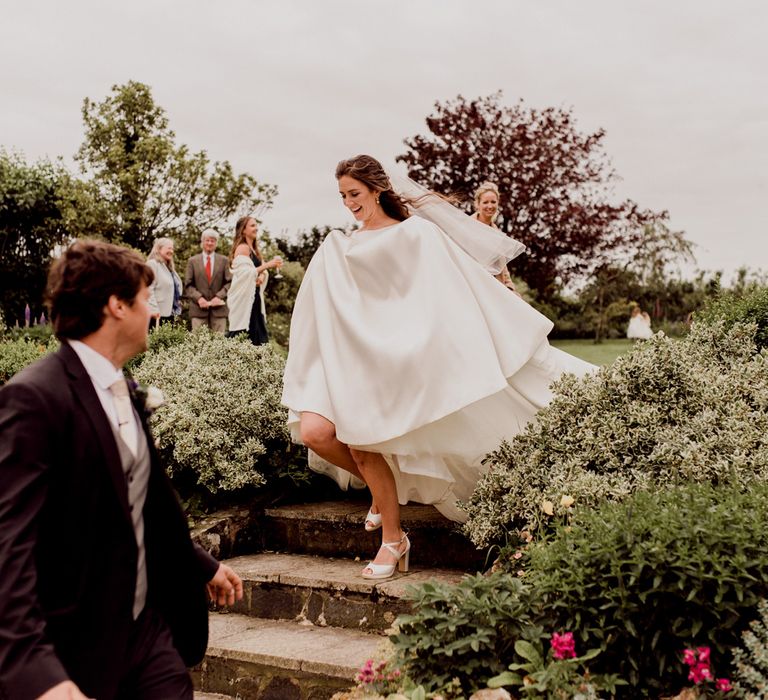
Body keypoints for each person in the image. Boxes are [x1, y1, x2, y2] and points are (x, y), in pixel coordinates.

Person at [281, 155, 595, 581]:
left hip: (393, 361)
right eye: (342, 196)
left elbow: (448, 288)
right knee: (315, 432)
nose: (348, 203)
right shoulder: (342, 247)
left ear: (376, 189)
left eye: (354, 194)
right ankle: (380, 493)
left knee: (361, 443)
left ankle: (393, 541)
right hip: (347, 359)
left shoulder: (417, 234)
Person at [0, 239, 243, 700]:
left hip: (144, 631)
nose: (154, 311)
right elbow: (9, 544)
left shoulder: (121, 387)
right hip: (71, 641)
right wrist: (36, 671)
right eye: (145, 299)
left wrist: (198, 564)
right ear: (116, 306)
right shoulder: (34, 399)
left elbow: (141, 497)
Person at [226, 216, 282, 346]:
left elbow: (260, 271)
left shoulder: (255, 249)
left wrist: (262, 277)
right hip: (245, 301)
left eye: (256, 225)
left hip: (254, 298)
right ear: (243, 230)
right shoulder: (242, 248)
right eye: (252, 226)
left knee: (259, 335)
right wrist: (269, 264)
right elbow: (244, 274)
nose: (256, 228)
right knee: (245, 334)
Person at [471, 181, 518, 292]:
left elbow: (502, 268)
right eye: (485, 202)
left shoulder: (497, 234)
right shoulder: (467, 227)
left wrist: (511, 288)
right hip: (472, 287)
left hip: (494, 288)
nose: (490, 206)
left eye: (493, 202)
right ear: (478, 204)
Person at [184, 231, 232, 333]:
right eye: (207, 240)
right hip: (198, 310)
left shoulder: (224, 261)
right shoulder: (192, 261)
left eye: (213, 241)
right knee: (198, 344)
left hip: (219, 310)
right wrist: (199, 298)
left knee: (219, 344)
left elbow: (229, 282)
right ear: (202, 242)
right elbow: (188, 284)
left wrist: (219, 296)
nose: (210, 243)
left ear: (216, 243)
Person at [146, 237, 182, 327]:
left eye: (172, 249)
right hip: (157, 315)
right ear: (159, 249)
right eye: (169, 248)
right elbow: (148, 289)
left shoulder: (168, 268)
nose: (172, 251)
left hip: (170, 314)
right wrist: (154, 309)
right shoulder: (153, 264)